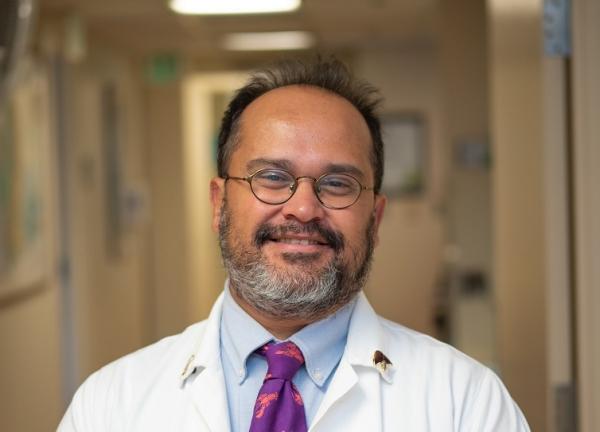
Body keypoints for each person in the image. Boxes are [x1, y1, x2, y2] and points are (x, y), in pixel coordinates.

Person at [58, 58, 530, 431]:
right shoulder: (110, 405)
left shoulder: (465, 404)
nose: (303, 208)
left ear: (376, 217)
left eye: (338, 183)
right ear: (219, 204)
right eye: (273, 177)